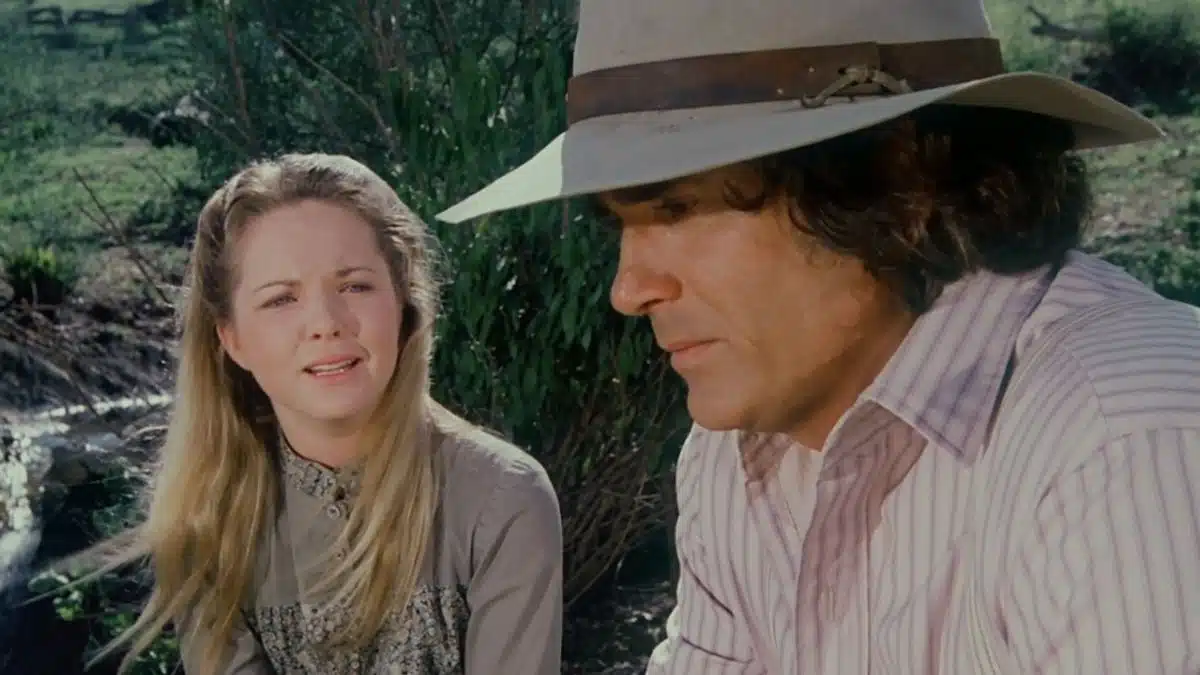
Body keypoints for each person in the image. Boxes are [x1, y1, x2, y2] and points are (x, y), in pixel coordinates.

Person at [435, 0, 1200, 673]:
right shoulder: (737, 459)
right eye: (619, 226)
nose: (628, 289)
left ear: (899, 181)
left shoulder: (1124, 441)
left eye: (676, 209)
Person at [82, 152, 563, 675]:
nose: (325, 323)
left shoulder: (502, 499)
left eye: (354, 286)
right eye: (281, 299)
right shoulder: (209, 523)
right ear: (232, 339)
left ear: (404, 305)